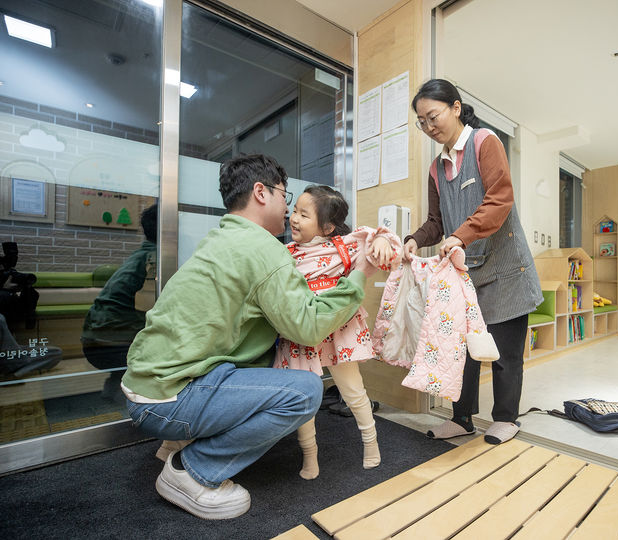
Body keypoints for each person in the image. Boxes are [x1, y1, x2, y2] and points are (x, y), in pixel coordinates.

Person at [122, 154, 370, 520]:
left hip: (149, 385)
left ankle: (184, 442)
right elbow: (309, 326)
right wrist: (358, 276)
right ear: (261, 192)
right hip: (167, 399)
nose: (289, 212)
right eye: (285, 198)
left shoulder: (222, 238)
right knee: (305, 391)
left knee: (265, 360)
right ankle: (190, 471)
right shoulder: (264, 250)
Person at [403, 79, 543, 445]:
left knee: (504, 353)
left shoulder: (485, 142)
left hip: (505, 269)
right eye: (422, 122)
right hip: (465, 275)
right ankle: (462, 418)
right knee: (459, 351)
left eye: (433, 116)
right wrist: (414, 241)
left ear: (456, 107)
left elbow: (499, 200)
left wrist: (460, 236)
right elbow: (438, 222)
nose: (429, 127)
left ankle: (506, 419)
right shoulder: (436, 168)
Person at [273, 185, 401, 479]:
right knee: (305, 399)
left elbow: (383, 243)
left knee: (354, 391)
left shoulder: (344, 246)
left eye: (304, 214)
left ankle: (371, 443)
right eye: (294, 211)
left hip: (340, 330)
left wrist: (382, 240)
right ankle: (310, 456)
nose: (294, 218)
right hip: (301, 331)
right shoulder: (285, 253)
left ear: (327, 226)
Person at [81, 204, 157, 404]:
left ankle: (116, 388)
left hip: (95, 337)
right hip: (108, 342)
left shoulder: (142, 255)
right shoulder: (155, 260)